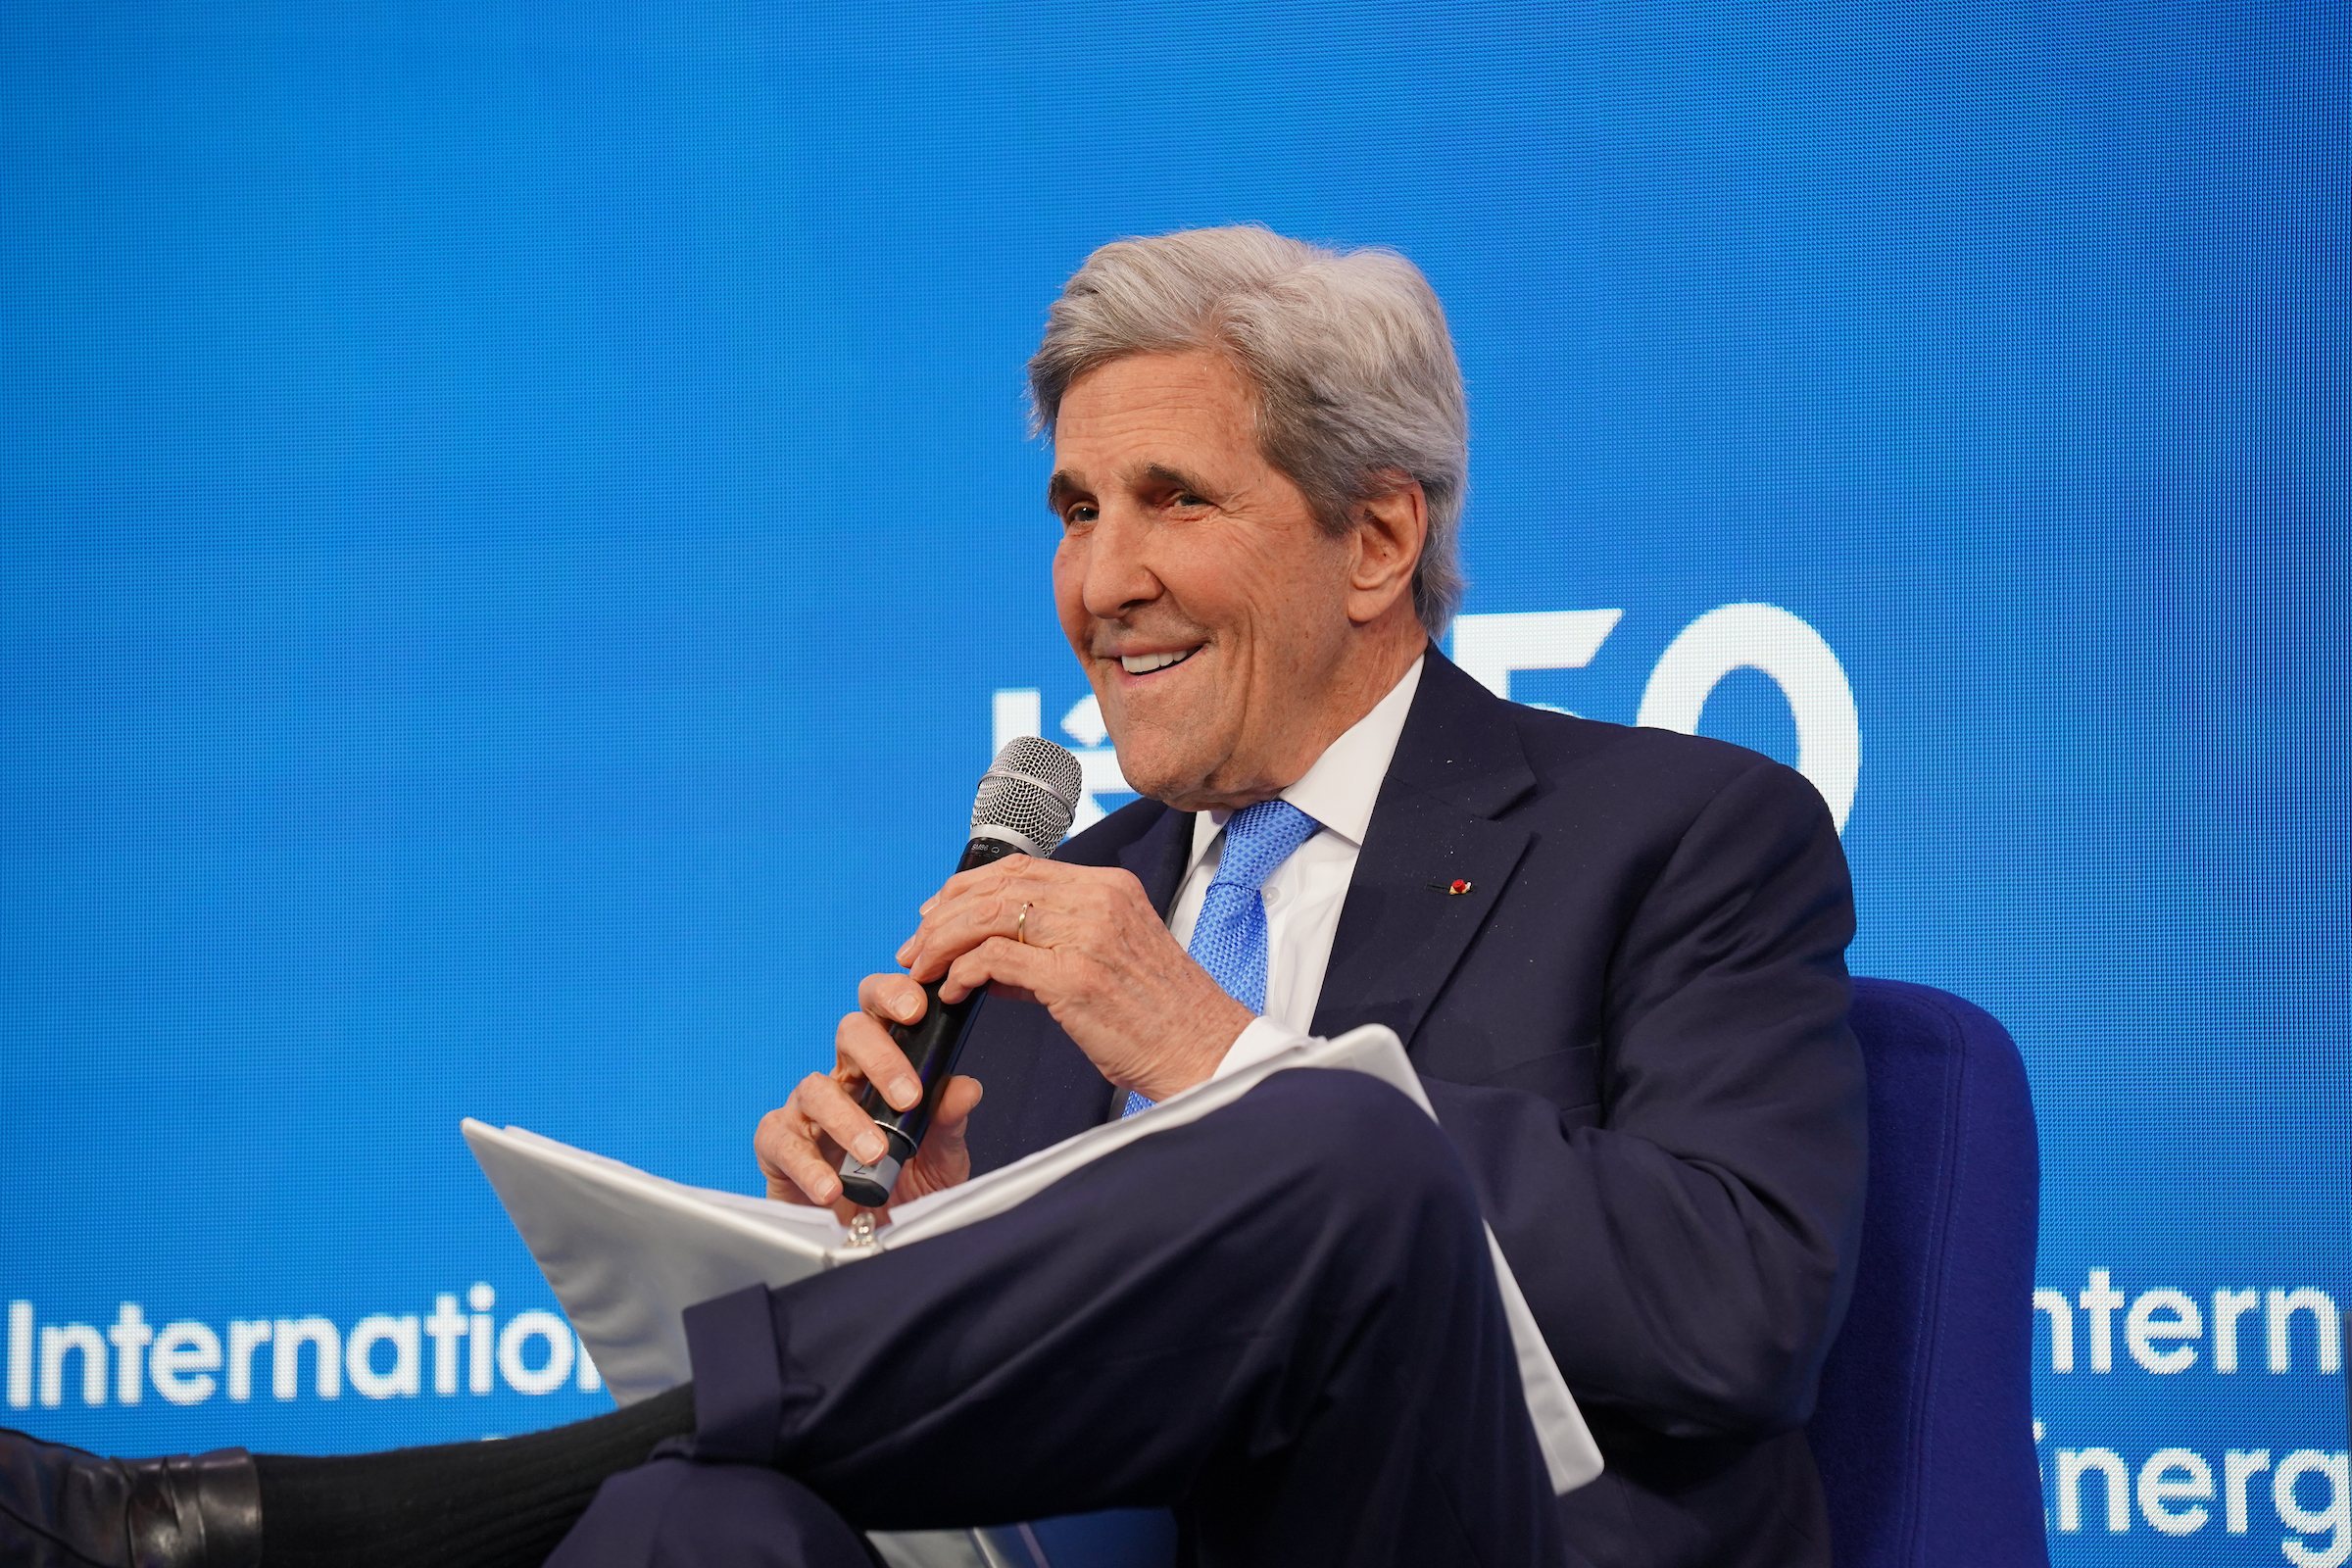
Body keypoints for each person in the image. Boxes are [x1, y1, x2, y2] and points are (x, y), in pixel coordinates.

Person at [1, 226, 1865, 1568]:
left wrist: (1217, 1055)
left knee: (1333, 1141)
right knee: (694, 1517)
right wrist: (927, 1243)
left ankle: (324, 1525)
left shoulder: (1688, 830)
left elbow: (1735, 1310)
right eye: (1072, 512)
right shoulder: (1067, 907)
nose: (1100, 581)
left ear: (1377, 538)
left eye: (1169, 501)